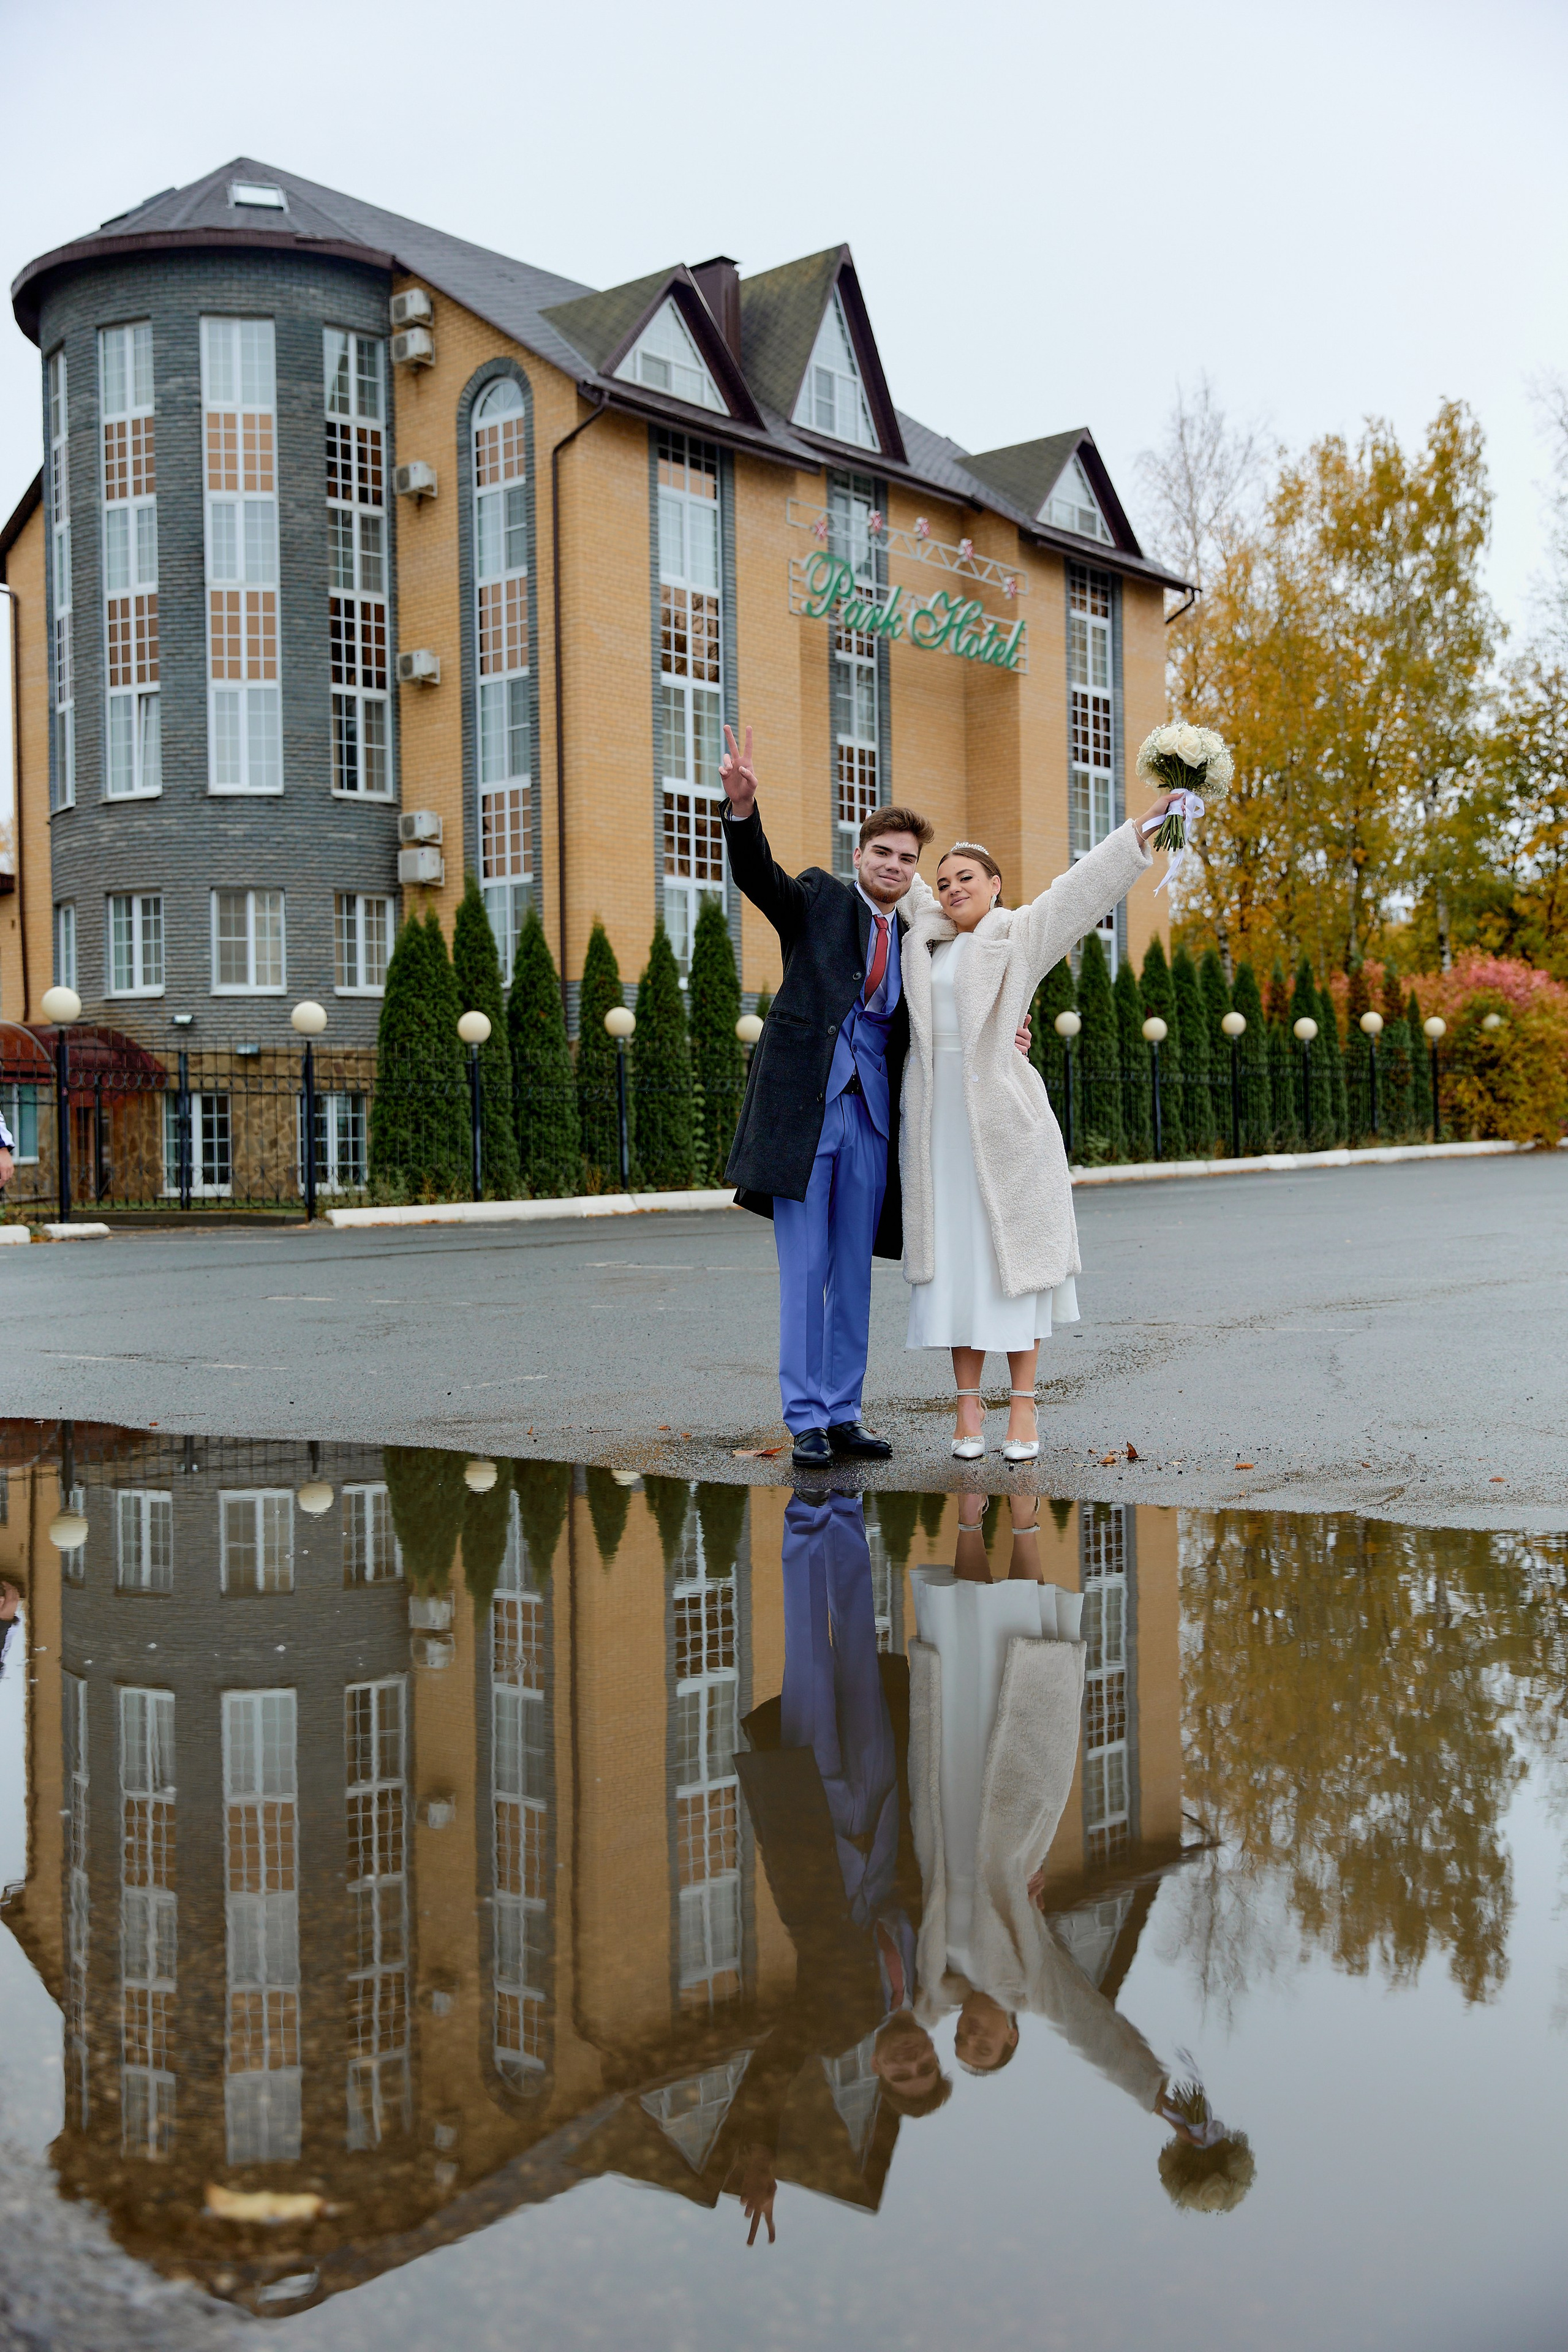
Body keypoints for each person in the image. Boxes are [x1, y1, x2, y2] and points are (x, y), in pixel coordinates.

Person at [906, 1517, 1254, 2209]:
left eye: (965, 2044)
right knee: (1015, 1662)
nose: (973, 2033)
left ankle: (971, 1509)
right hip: (1004, 1812)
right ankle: (1026, 1514)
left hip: (946, 1804)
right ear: (1010, 2034)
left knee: (962, 1655)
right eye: (987, 2043)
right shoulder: (1030, 1982)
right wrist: (1161, 2102)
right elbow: (1094, 2033)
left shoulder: (931, 1981)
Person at [718, 726, 1031, 1469]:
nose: (894, 866)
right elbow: (758, 875)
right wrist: (741, 812)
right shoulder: (818, 899)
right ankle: (805, 1420)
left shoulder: (922, 935)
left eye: (906, 860)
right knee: (805, 1273)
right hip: (804, 1116)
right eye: (882, 854)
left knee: (853, 1272)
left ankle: (844, 1410)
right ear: (860, 857)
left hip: (872, 1123)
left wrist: (1004, 1039)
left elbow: (955, 1011)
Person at [899, 801, 1177, 1461]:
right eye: (942, 882)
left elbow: (1079, 892)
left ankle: (1022, 1411)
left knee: (1012, 1268)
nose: (952, 888)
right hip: (937, 1138)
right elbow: (889, 869)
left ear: (995, 885)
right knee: (954, 1271)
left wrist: (1143, 827)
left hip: (1004, 1132)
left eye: (966, 876)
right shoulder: (920, 936)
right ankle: (967, 1410)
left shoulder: (1017, 936)